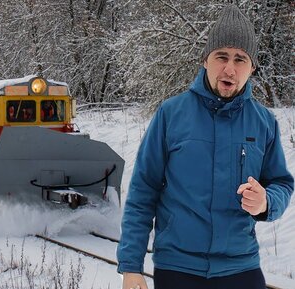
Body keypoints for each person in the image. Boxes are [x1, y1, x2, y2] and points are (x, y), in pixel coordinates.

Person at [117, 5, 293, 289]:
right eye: (221, 56)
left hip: (241, 266)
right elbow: (143, 191)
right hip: (179, 268)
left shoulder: (264, 123)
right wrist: (131, 266)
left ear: (252, 67)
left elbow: (282, 183)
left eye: (240, 59)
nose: (229, 68)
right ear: (205, 60)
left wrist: (266, 202)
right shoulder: (171, 115)